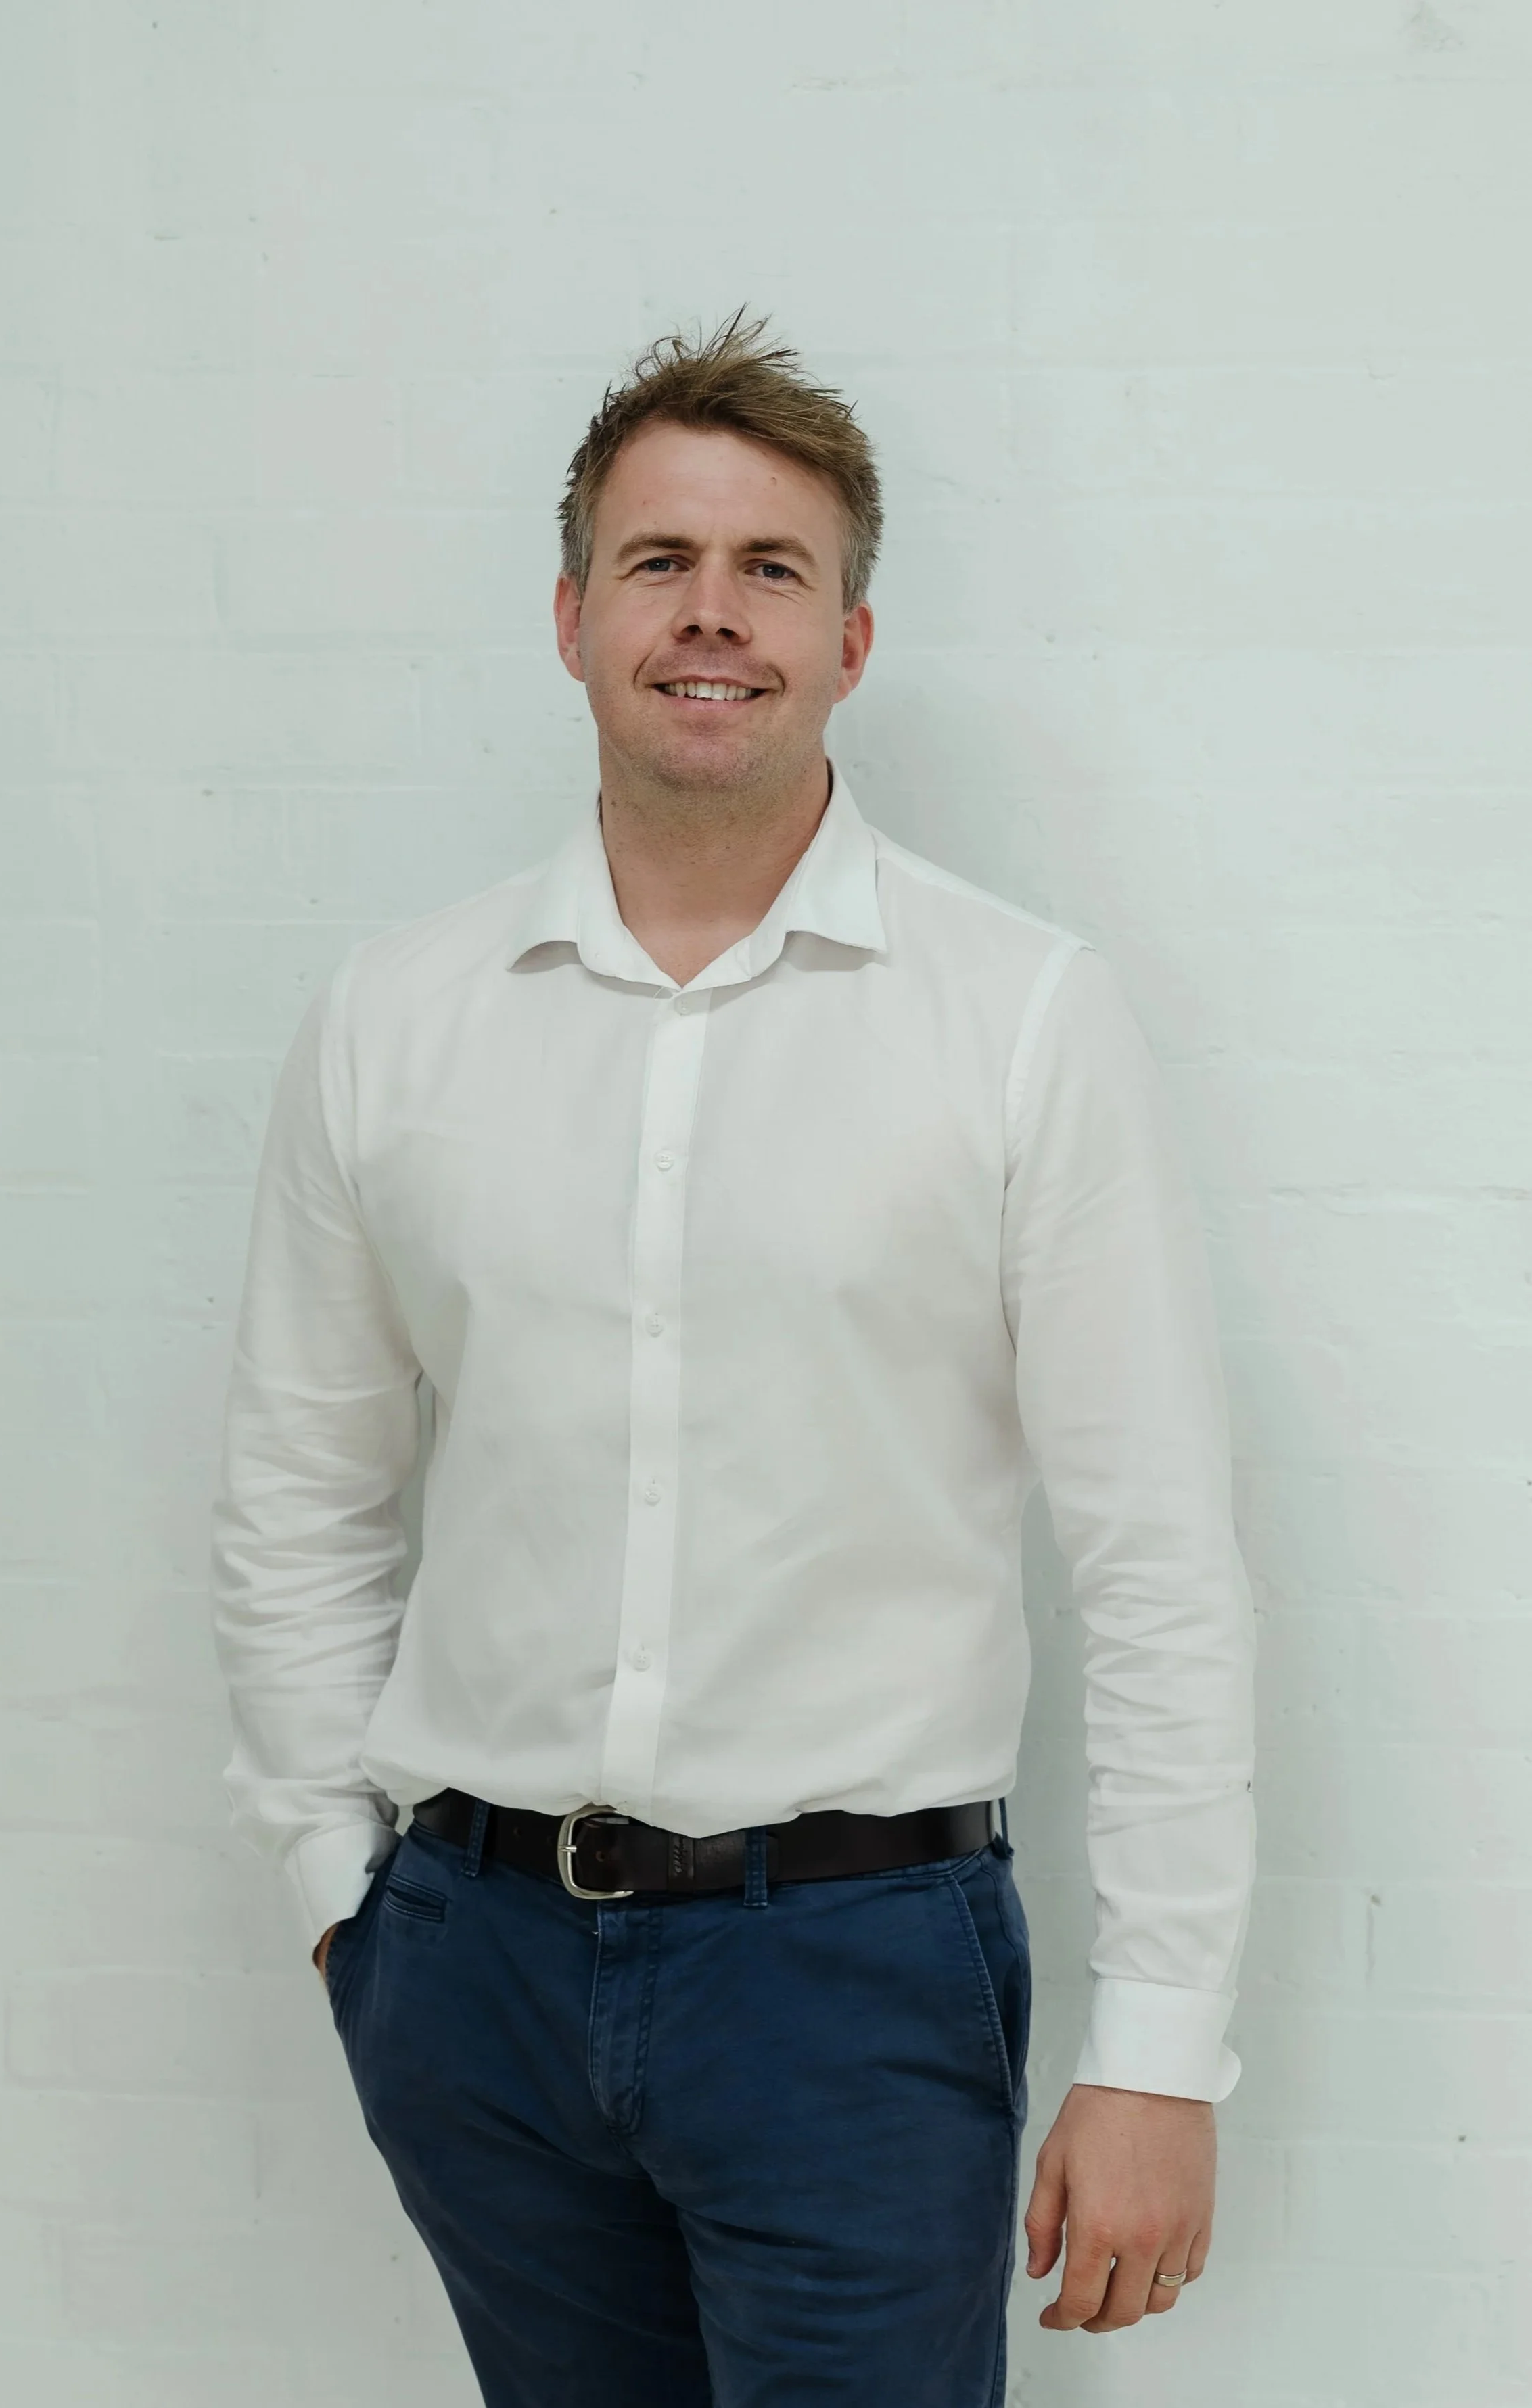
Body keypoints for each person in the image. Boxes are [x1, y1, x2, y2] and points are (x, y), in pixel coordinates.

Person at [209, 308, 1256, 2407]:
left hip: (853, 1977)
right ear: (574, 616)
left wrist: (1158, 2050)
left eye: (772, 569)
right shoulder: (396, 1017)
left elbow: (1158, 1565)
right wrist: (352, 1904)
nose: (713, 616)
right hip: (473, 1971)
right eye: (660, 562)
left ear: (850, 643)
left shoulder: (1019, 1016)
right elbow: (297, 1499)